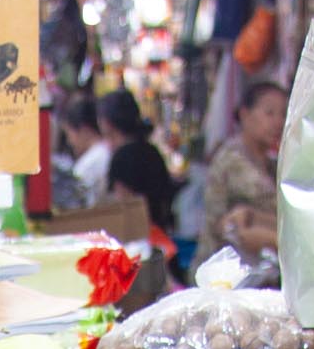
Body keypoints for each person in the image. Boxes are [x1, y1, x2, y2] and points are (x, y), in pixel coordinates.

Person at [196, 78, 287, 268]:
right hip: (223, 271)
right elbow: (278, 207)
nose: (278, 122)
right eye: (269, 113)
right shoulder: (233, 159)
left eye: (283, 114)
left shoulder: (271, 162)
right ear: (245, 115)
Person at [98, 88, 177, 235]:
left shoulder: (122, 158)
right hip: (161, 236)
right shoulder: (152, 151)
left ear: (107, 124)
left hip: (139, 241)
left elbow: (124, 207)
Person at [58, 94, 111, 203]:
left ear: (84, 130)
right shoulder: (107, 150)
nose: (69, 141)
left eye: (69, 134)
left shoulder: (89, 164)